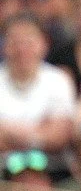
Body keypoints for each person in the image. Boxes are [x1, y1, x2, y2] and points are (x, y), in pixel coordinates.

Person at [0, 13, 75, 156]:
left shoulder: (59, 80)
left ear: (44, 44)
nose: (22, 49)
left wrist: (6, 130)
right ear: (4, 46)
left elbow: (59, 137)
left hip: (51, 168)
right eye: (15, 41)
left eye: (28, 41)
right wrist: (40, 132)